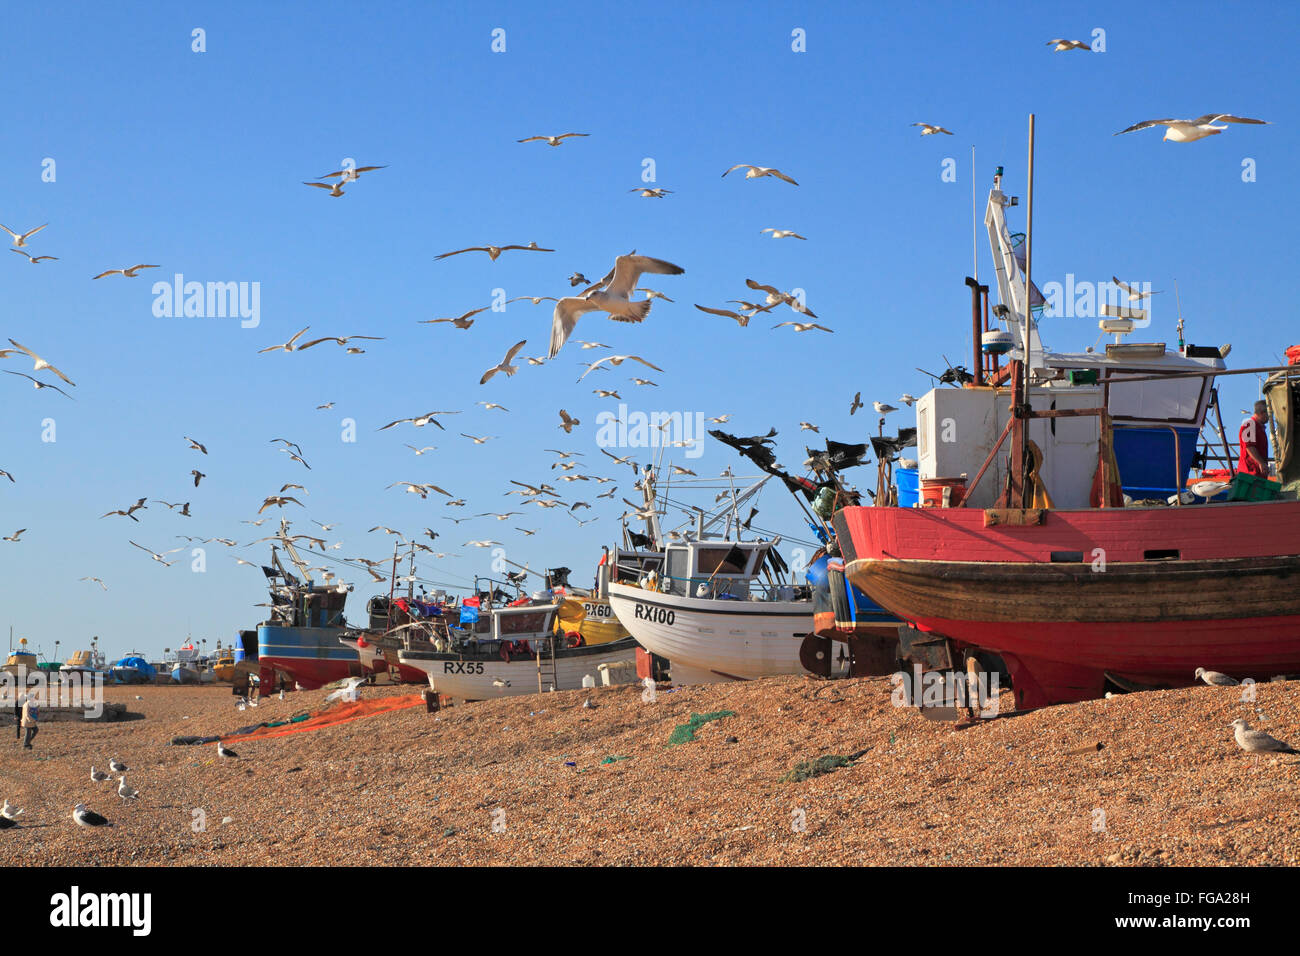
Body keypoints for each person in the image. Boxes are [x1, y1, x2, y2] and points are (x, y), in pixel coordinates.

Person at [1238, 400, 1271, 477]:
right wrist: (1261, 463)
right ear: (1262, 413)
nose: (1270, 417)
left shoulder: (1259, 428)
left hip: (1257, 474)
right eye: (1269, 414)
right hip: (1250, 474)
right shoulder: (1250, 424)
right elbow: (1249, 446)